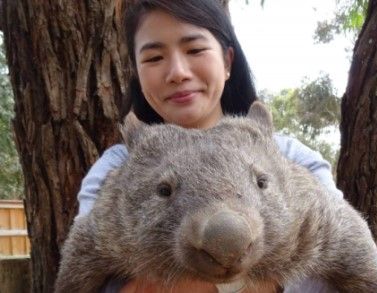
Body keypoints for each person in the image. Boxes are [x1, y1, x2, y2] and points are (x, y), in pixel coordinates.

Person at [76, 0, 350, 292]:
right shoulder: (118, 166)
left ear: (228, 61)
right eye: (154, 58)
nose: (177, 72)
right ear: (137, 73)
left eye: (194, 49)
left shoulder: (290, 156)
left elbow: (343, 260)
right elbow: (91, 269)